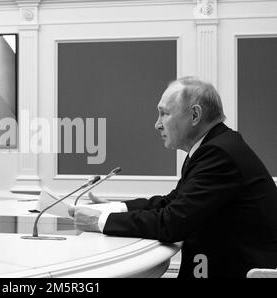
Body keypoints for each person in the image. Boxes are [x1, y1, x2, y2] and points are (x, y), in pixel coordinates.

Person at [69, 76, 277, 278]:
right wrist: (113, 208)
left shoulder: (218, 154)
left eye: (164, 114)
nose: (157, 124)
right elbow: (172, 202)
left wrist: (100, 221)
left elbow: (172, 223)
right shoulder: (213, 147)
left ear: (195, 115)